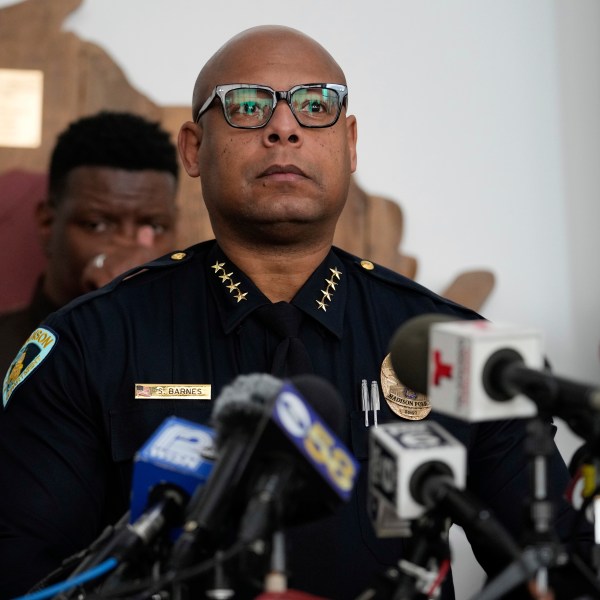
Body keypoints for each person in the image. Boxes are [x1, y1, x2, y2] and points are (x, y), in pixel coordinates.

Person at [0, 27, 592, 600]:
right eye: (247, 106)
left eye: (315, 105)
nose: (283, 127)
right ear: (194, 148)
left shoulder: (458, 350)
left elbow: (557, 573)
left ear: (350, 143)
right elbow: (25, 575)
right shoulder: (91, 342)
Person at [0, 111, 179, 374]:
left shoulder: (201, 349)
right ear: (47, 224)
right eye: (97, 225)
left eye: (153, 226)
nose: (127, 247)